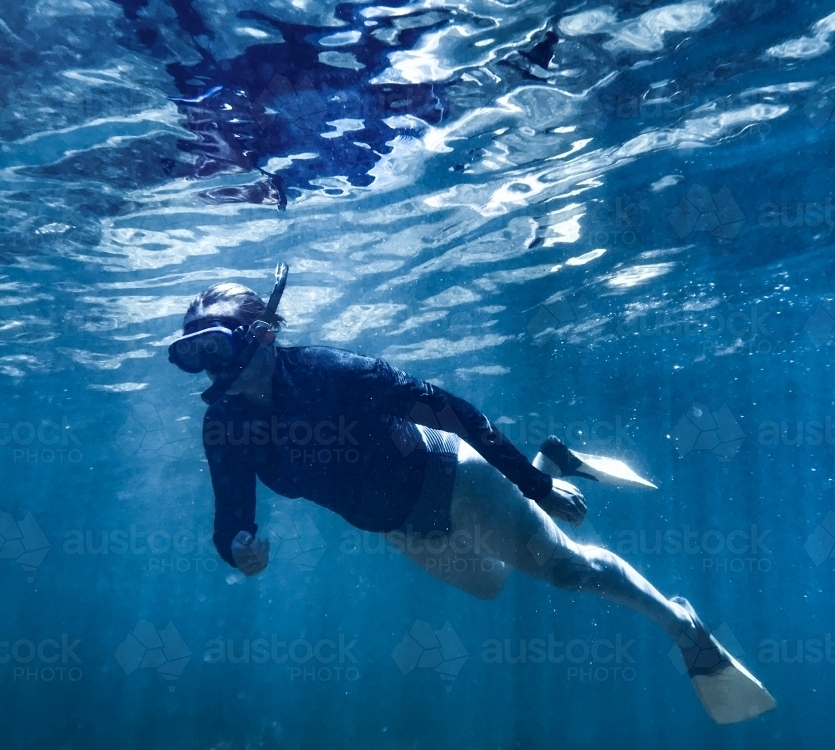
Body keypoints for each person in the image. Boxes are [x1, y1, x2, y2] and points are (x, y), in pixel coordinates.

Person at [169, 264, 776, 724]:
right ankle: (555, 455)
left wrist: (530, 484)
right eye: (190, 356)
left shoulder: (336, 373)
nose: (207, 369)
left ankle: (684, 628)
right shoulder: (224, 425)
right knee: (492, 585)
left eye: (215, 348)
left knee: (565, 569)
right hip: (403, 528)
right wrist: (238, 550)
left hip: (453, 478)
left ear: (262, 337)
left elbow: (457, 414)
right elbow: (232, 518)